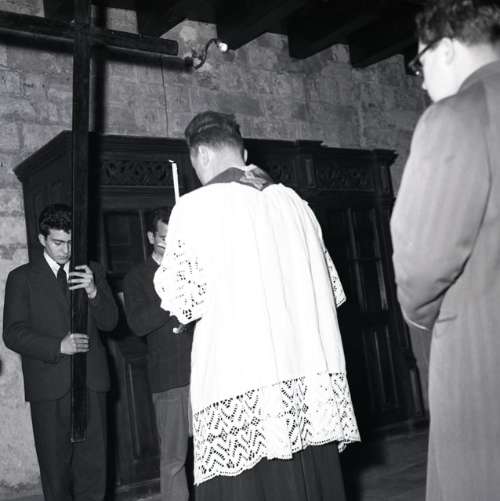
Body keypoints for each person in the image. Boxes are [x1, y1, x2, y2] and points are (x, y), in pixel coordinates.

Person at [153, 111, 360, 501]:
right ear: (244, 153)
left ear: (201, 155)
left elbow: (179, 300)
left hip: (242, 380)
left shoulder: (195, 208)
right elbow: (331, 292)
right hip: (305, 380)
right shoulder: (295, 203)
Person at [390, 1, 500, 499]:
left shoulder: (455, 116)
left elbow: (422, 262)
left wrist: (423, 314)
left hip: (482, 352)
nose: (421, 82)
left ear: (447, 49)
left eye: (420, 63)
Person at [3, 203, 118, 501]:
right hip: (49, 387)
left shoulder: (92, 271)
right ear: (42, 239)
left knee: (94, 470)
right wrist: (58, 346)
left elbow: (111, 322)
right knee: (56, 475)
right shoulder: (21, 278)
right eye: (58, 242)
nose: (66, 250)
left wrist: (93, 292)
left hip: (91, 384)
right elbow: (12, 333)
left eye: (70, 242)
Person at [122, 207, 193, 501]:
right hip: (169, 377)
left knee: (211, 450)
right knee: (174, 459)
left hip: (202, 371)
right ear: (151, 237)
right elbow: (138, 324)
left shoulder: (189, 268)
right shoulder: (137, 277)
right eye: (164, 237)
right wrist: (169, 298)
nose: (170, 243)